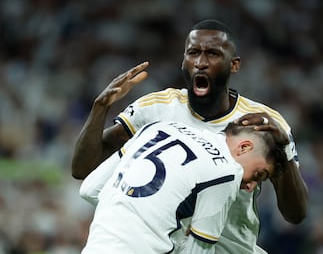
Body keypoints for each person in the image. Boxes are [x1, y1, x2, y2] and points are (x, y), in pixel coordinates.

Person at [72, 19, 308, 253]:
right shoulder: (155, 109)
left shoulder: (263, 123)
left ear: (233, 65)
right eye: (193, 53)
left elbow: (295, 214)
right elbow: (83, 170)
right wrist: (100, 108)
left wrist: (285, 151)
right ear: (183, 60)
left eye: (213, 54)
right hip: (167, 246)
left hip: (232, 248)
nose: (201, 62)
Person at [79, 119, 289, 254]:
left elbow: (89, 189)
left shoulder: (158, 127)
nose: (251, 186)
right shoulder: (227, 171)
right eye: (259, 175)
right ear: (244, 147)